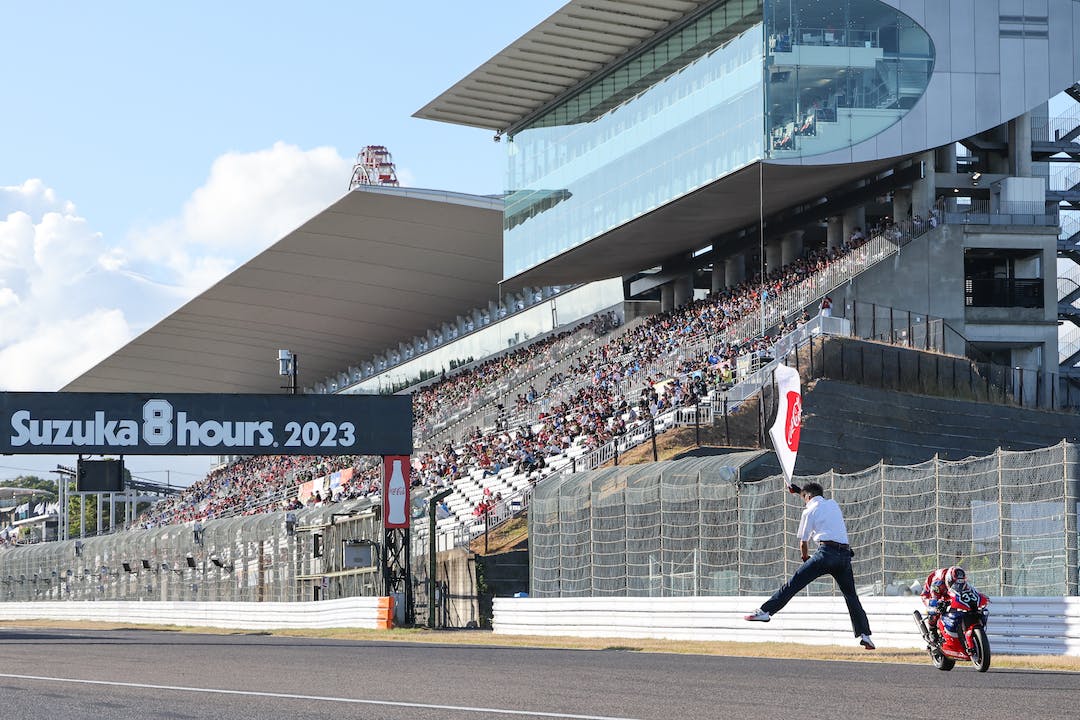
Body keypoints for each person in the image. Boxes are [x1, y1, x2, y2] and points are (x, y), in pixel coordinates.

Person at [744, 481, 875, 650]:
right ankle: (865, 635)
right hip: (844, 557)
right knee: (851, 597)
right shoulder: (832, 504)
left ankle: (765, 612)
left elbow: (803, 542)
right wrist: (798, 491)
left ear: (808, 497)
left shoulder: (808, 511)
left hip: (825, 554)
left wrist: (805, 558)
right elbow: (813, 498)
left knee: (794, 583)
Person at [920, 565, 974, 642]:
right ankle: (932, 630)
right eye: (955, 584)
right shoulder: (938, 584)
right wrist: (938, 604)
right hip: (930, 591)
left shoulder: (961, 581)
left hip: (947, 588)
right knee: (935, 607)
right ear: (949, 580)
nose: (957, 586)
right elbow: (934, 600)